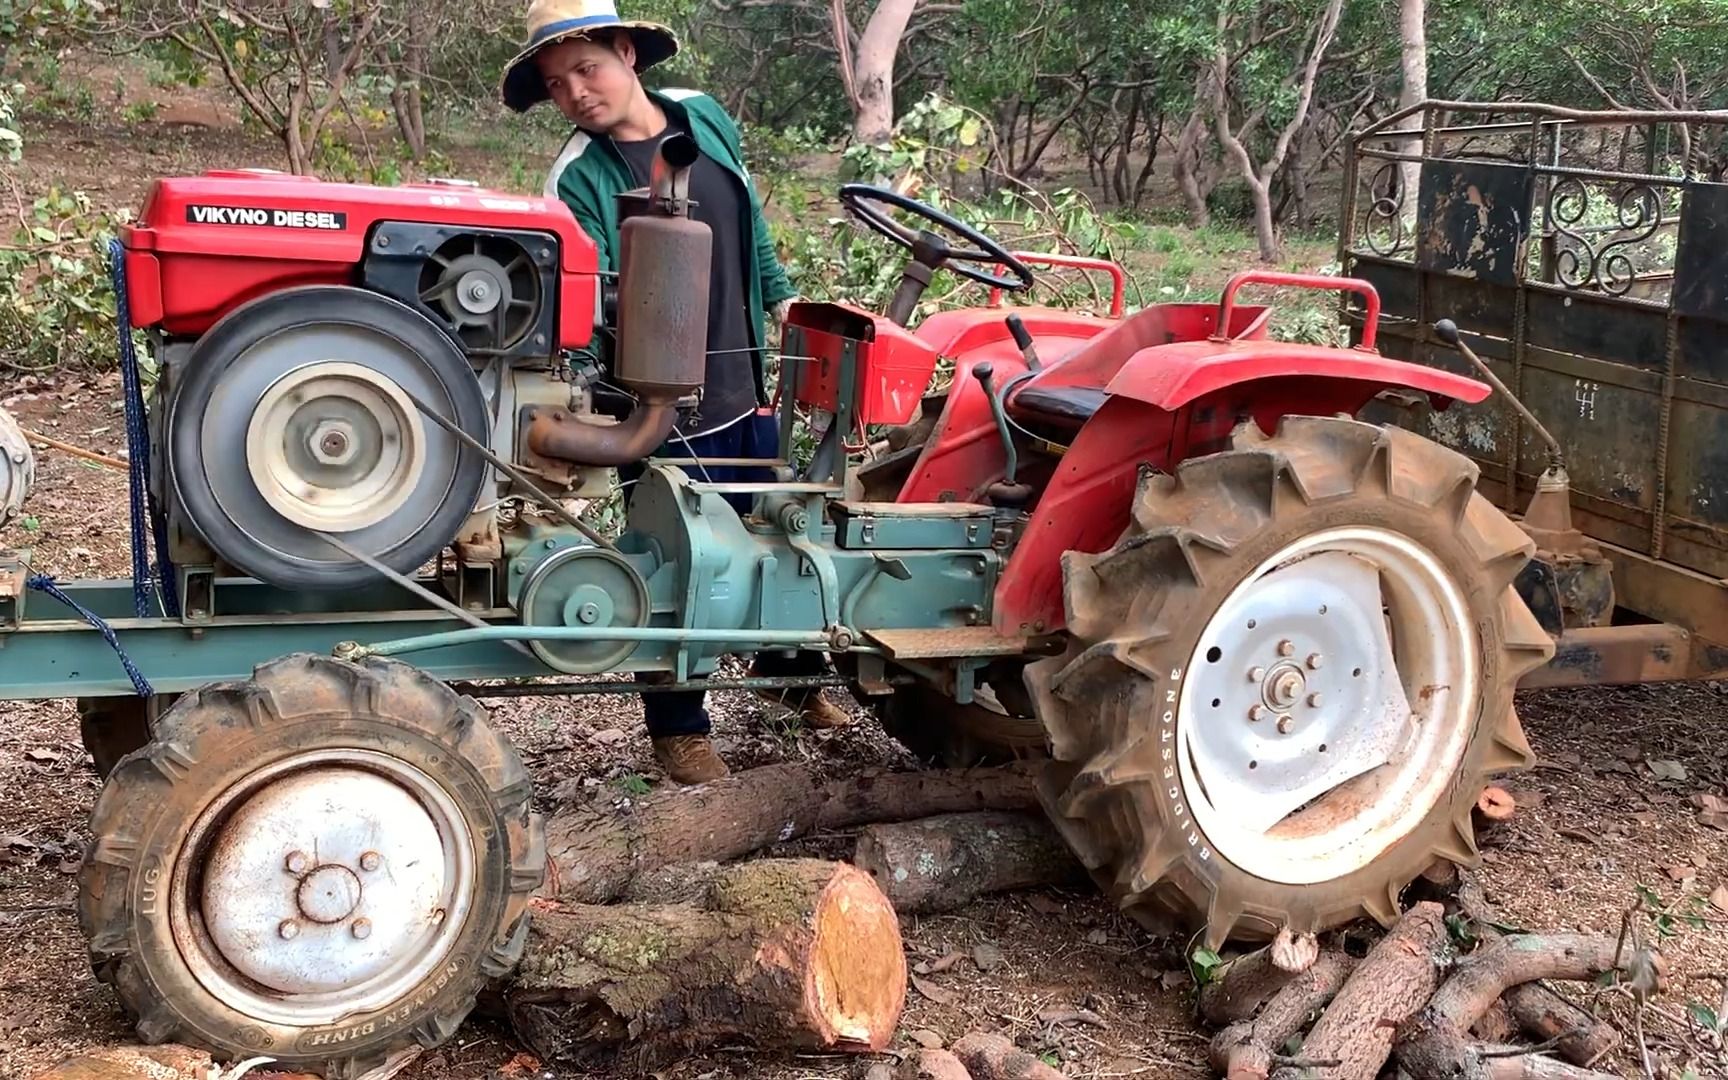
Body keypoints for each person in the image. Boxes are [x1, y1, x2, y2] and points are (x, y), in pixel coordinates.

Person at [501, 0, 850, 785]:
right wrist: (587, 394)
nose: (577, 93)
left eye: (586, 69)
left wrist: (784, 298)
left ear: (627, 52)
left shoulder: (703, 116)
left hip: (742, 378)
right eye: (557, 85)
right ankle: (679, 727)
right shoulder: (580, 176)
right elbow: (587, 300)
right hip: (655, 404)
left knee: (778, 530)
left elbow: (749, 220)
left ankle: (789, 677)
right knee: (676, 557)